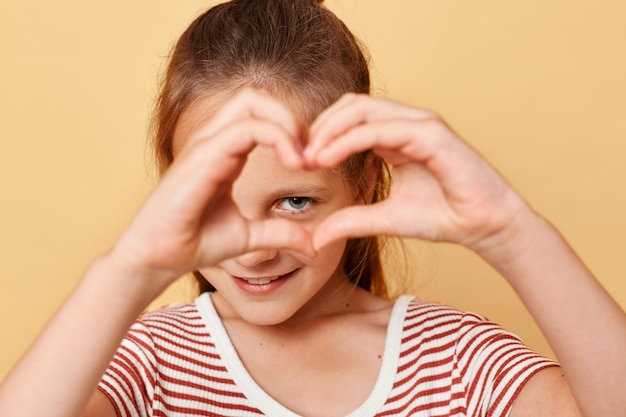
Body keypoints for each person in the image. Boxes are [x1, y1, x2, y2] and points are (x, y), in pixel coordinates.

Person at [0, 0, 624, 416]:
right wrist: (130, 265)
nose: (255, 246)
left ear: (366, 183)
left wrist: (513, 233)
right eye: (215, 200)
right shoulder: (148, 363)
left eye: (295, 201)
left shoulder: (458, 364)